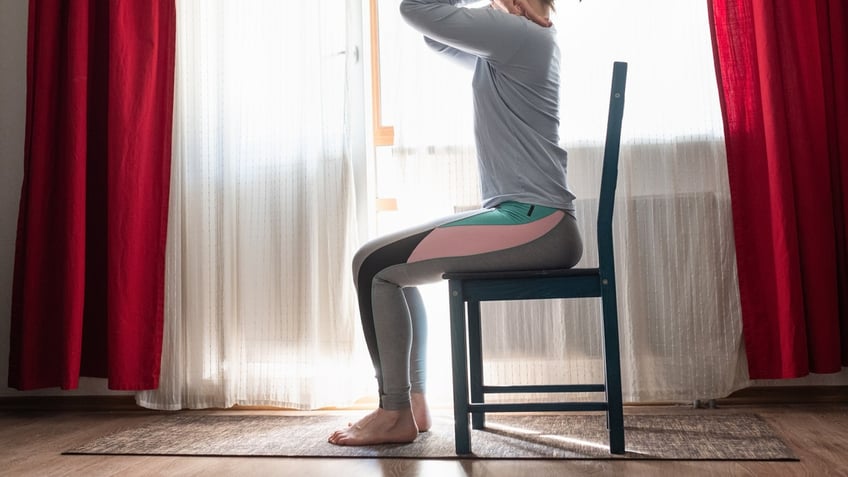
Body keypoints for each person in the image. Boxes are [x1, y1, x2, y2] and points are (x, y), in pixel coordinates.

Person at [328, 0, 580, 446]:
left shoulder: (518, 35)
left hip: (534, 221)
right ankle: (411, 405)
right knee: (388, 267)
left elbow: (416, 8)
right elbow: (436, 38)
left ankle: (394, 412)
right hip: (531, 219)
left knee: (373, 265)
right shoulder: (524, 38)